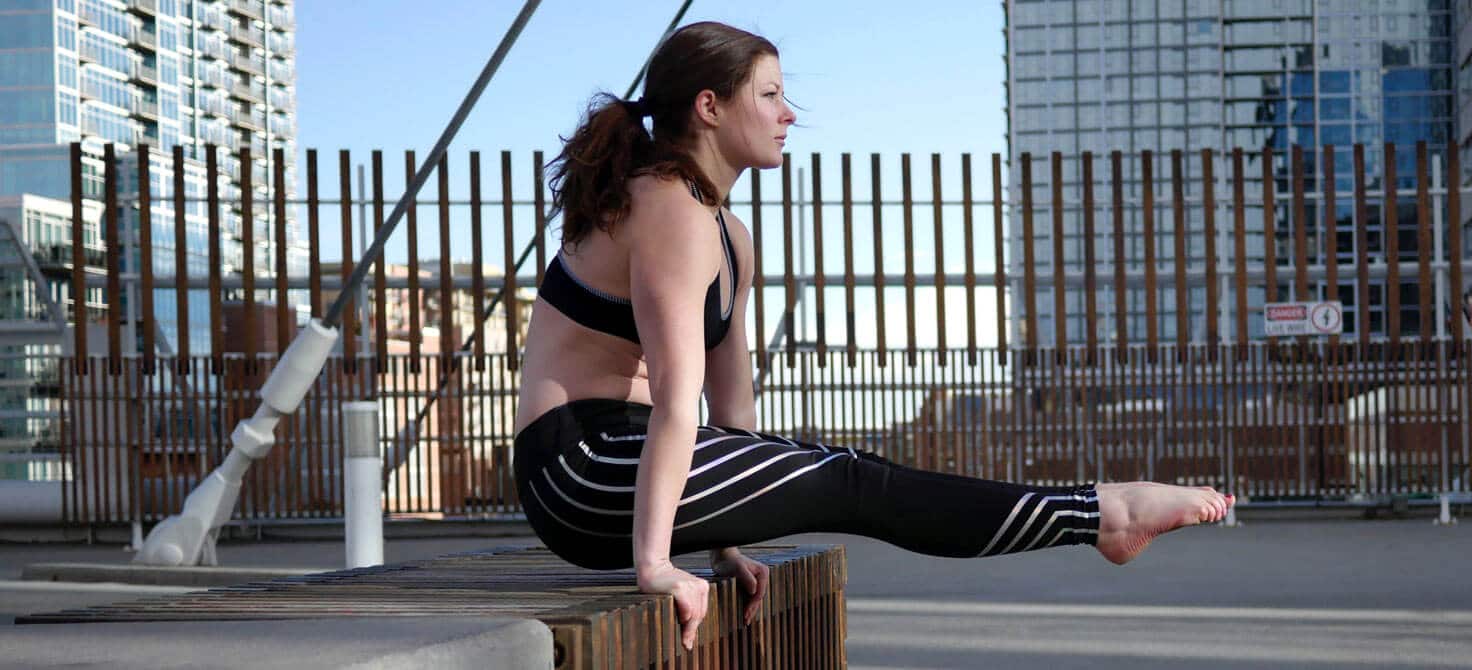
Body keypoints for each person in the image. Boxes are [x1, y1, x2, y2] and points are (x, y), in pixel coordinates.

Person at [513, 21, 1232, 651]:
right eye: (768, 95)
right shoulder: (667, 206)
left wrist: (724, 545)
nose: (789, 114)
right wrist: (657, 566)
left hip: (632, 464)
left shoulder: (729, 233)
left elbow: (733, 418)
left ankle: (1100, 515)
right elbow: (677, 400)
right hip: (578, 469)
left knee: (846, 472)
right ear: (710, 107)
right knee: (851, 479)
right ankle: (1106, 514)